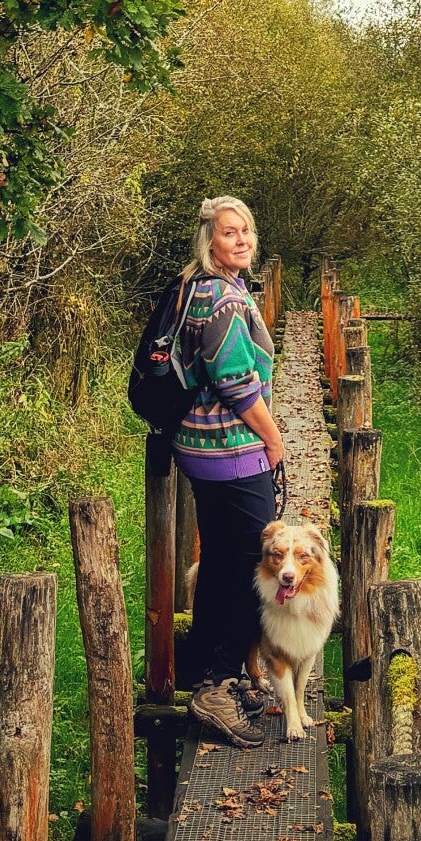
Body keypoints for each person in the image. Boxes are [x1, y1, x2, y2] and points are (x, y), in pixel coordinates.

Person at [173, 195, 286, 748]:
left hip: (206, 447)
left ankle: (208, 672)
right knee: (253, 565)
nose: (241, 240)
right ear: (209, 242)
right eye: (228, 232)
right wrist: (274, 437)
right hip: (228, 449)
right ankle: (218, 683)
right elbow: (236, 383)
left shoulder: (201, 286)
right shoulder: (221, 297)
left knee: (220, 558)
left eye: (246, 230)